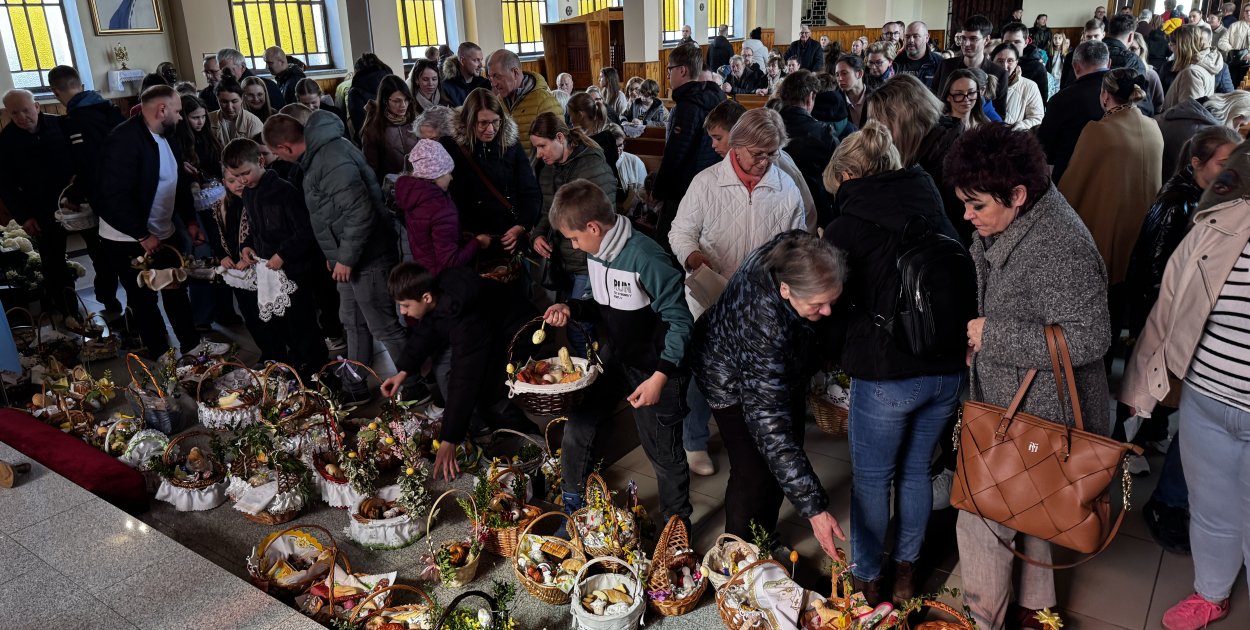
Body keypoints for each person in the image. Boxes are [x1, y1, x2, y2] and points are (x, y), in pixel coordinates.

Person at [944, 122, 1110, 630]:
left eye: (978, 206)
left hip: (1041, 409)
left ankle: (982, 621)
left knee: (980, 518)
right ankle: (1039, 611)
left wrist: (993, 337)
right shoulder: (1027, 217)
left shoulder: (1059, 244)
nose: (968, 218)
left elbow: (1092, 336)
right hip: (1027, 403)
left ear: (1017, 194)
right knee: (1035, 503)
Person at [823, 117, 971, 607]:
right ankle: (906, 571)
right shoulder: (936, 203)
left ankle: (867, 578)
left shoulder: (846, 227)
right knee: (913, 474)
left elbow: (830, 306)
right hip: (946, 368)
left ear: (848, 176)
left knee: (872, 478)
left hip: (886, 374)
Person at [1120, 138, 1250, 630]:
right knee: (1211, 507)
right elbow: (1169, 305)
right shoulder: (1221, 221)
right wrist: (1140, 390)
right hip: (1207, 400)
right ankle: (1211, 592)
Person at [542, 178, 695, 528]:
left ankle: (677, 528)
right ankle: (575, 506)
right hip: (618, 356)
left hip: (658, 367)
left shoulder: (647, 257)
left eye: (575, 238)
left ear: (594, 227)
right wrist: (572, 309)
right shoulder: (597, 253)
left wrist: (660, 376)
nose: (575, 246)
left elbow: (681, 322)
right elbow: (602, 303)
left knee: (662, 453)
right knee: (579, 423)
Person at [689, 230, 847, 556]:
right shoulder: (764, 323)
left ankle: (763, 538)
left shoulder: (798, 251)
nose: (828, 311)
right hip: (727, 376)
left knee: (781, 462)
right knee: (753, 470)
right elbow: (771, 426)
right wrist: (814, 509)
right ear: (786, 289)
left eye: (832, 300)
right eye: (818, 304)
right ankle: (737, 555)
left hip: (781, 369)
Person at [262, 111, 412, 404]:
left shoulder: (329, 159)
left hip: (368, 255)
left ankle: (416, 383)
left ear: (285, 149)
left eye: (274, 154)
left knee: (383, 325)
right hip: (349, 255)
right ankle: (354, 386)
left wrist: (345, 257)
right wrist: (335, 254)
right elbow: (332, 213)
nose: (277, 159)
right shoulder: (320, 155)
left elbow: (360, 213)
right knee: (353, 322)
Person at [381, 262, 537, 480]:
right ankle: (491, 430)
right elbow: (427, 330)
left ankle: (530, 439)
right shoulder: (440, 296)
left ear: (426, 297)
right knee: (470, 384)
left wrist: (449, 439)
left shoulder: (466, 318)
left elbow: (465, 377)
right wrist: (404, 371)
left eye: (405, 305)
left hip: (521, 334)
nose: (402, 311)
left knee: (487, 390)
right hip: (494, 331)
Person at [94, 85, 203, 357]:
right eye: (177, 111)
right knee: (144, 298)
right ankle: (161, 356)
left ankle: (193, 349)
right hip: (126, 237)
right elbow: (112, 197)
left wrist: (189, 221)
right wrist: (142, 235)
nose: (180, 117)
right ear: (161, 110)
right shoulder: (123, 141)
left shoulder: (169, 135)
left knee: (176, 287)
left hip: (162, 230)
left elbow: (177, 183)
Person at [222, 138, 326, 375]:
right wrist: (247, 246)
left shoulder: (284, 191)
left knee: (303, 324)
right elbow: (255, 229)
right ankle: (296, 366)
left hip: (294, 270)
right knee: (283, 324)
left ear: (261, 161)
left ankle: (318, 371)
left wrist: (282, 254)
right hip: (268, 270)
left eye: (245, 173)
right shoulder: (249, 193)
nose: (241, 181)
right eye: (235, 176)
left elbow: (306, 231)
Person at [1059, 67, 1163, 290]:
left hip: (1108, 235)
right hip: (1145, 235)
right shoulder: (1154, 128)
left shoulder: (1098, 131)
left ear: (1105, 95)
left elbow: (1072, 186)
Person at [530, 111, 618, 354]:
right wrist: (537, 235)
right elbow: (548, 210)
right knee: (573, 322)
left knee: (578, 326)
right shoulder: (548, 170)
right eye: (536, 147)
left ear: (560, 138)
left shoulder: (592, 165)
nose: (538, 153)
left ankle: (588, 379)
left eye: (542, 146)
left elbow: (604, 218)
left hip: (588, 260)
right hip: (564, 259)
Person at [47, 65, 125, 313]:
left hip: (104, 196)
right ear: (80, 85)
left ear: (55, 92)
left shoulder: (79, 118)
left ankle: (111, 300)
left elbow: (90, 162)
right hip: (125, 189)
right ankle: (117, 298)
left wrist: (75, 192)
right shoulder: (106, 107)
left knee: (105, 251)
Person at [0, 89, 76, 314]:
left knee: (100, 253)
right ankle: (68, 311)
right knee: (53, 263)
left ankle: (109, 300)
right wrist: (24, 216)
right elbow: (6, 185)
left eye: (25, 110)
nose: (22, 117)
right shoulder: (6, 141)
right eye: (15, 113)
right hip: (40, 208)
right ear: (8, 114)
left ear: (37, 107)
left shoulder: (60, 125)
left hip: (75, 201)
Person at [440, 88, 540, 259]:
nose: (491, 129)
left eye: (496, 121)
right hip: (471, 240)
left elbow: (529, 189)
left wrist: (522, 225)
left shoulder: (510, 144)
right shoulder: (452, 147)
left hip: (509, 236)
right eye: (483, 123)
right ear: (469, 121)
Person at [867, 74, 967, 244]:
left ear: (909, 120)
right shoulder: (929, 148)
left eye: (882, 126)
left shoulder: (950, 160)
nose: (880, 135)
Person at [703, 100, 816, 233]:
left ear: (737, 133)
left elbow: (806, 209)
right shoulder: (718, 172)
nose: (713, 145)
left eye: (718, 138)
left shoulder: (777, 162)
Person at [652, 43, 725, 246]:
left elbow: (676, 153)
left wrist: (658, 190)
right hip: (707, 185)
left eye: (670, 69)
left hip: (683, 189)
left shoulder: (689, 105)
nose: (668, 75)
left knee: (669, 244)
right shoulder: (711, 97)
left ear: (682, 70)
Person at [394, 139, 482, 278]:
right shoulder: (441, 209)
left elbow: (430, 242)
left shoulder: (414, 198)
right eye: (447, 172)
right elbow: (450, 262)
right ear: (434, 176)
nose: (451, 178)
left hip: (427, 275)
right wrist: (478, 243)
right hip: (445, 280)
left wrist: (457, 236)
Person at [1038, 40, 1110, 183]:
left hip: (1071, 178)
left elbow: (1045, 146)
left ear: (1076, 67)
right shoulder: (1126, 93)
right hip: (1114, 177)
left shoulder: (1061, 100)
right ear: (1109, 64)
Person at [775, 70, 836, 227]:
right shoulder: (824, 132)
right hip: (815, 210)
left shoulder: (769, 127)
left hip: (774, 206)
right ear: (810, 98)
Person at [1156, 91, 1250, 177]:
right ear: (1236, 115)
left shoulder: (1193, 110)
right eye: (1240, 125)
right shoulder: (1206, 135)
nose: (1237, 130)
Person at [485, 50, 562, 154]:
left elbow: (557, 146)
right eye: (490, 78)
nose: (493, 84)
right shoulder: (498, 101)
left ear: (515, 73)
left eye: (497, 76)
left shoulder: (544, 101)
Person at [932, 14, 1009, 115]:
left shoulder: (999, 73)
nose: (966, 43)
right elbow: (933, 101)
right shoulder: (946, 66)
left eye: (973, 39)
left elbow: (999, 115)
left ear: (986, 40)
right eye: (963, 38)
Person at [360, 75, 420, 184]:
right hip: (391, 188)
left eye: (406, 100)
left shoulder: (415, 121)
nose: (403, 105)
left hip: (417, 184)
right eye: (397, 101)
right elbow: (370, 169)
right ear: (385, 101)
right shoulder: (373, 128)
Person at [1165, 24, 1225, 109]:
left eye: (1173, 43)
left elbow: (1190, 113)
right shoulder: (1204, 63)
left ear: (1182, 46)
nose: (1171, 47)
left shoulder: (1192, 72)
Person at [991, 43, 1044, 129]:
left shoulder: (1029, 86)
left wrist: (1017, 127)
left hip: (1016, 139)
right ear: (992, 62)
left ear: (1016, 63)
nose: (1004, 66)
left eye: (1010, 61)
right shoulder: (984, 83)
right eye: (1000, 61)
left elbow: (1037, 118)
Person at [1000, 22, 1052, 107]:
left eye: (1017, 42)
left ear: (1026, 42)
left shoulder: (1037, 68)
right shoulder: (995, 63)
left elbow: (1040, 103)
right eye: (1007, 42)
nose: (1012, 46)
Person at [346, 53, 393, 142]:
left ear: (357, 70)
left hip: (370, 140)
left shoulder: (355, 91)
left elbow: (359, 123)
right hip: (395, 134)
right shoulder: (391, 80)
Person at [175, 95, 223, 182]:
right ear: (183, 117)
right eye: (195, 117)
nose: (201, 122)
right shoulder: (176, 140)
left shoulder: (208, 135)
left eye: (203, 116)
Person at [216, 47, 283, 108]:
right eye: (221, 70)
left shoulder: (268, 85)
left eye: (227, 70)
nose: (223, 74)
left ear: (242, 67)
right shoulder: (226, 87)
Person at [209, 76, 264, 150]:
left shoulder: (253, 123)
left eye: (234, 101)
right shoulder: (208, 120)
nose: (229, 107)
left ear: (242, 99)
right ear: (217, 100)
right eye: (224, 102)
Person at [894, 21, 944, 88]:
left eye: (916, 36)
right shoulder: (895, 62)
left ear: (926, 38)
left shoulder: (940, 63)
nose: (911, 40)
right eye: (907, 36)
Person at [442, 42, 491, 106]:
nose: (480, 65)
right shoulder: (447, 87)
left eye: (481, 60)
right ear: (462, 60)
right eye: (476, 60)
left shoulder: (485, 84)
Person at [1128, 31, 1167, 113]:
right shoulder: (1117, 74)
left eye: (1133, 49)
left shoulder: (1151, 75)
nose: (1129, 52)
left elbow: (1159, 105)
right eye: (1126, 48)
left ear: (1141, 50)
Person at [834, 54, 872, 128]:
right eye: (837, 75)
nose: (840, 78)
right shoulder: (834, 100)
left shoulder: (876, 97)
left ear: (859, 74)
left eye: (844, 73)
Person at [1217, 2, 1250, 86]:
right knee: (1232, 88)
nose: (1248, 13)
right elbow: (1222, 41)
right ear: (1243, 13)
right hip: (1235, 63)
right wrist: (1232, 50)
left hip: (1249, 66)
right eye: (1246, 11)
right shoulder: (1235, 26)